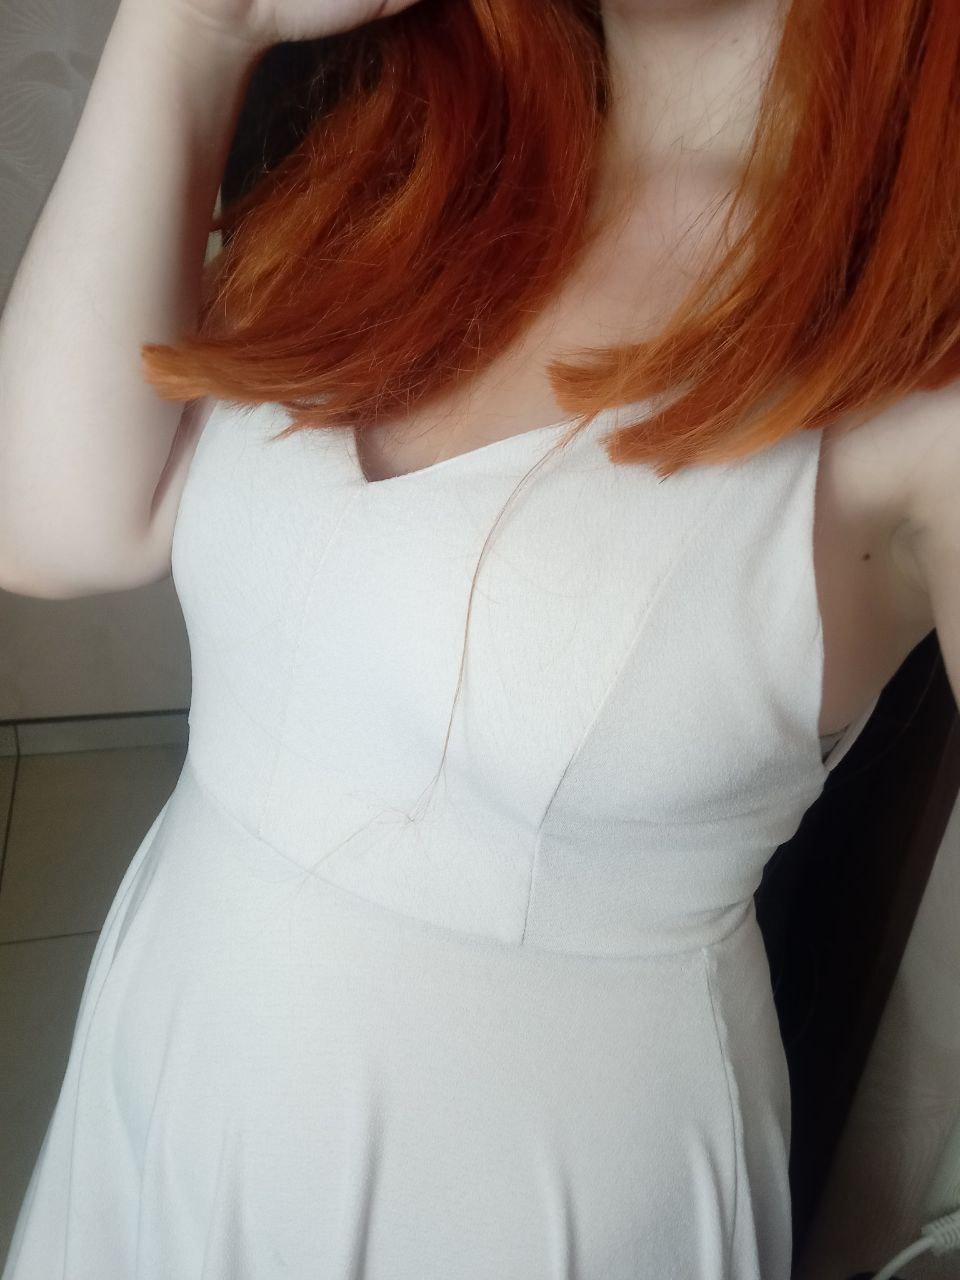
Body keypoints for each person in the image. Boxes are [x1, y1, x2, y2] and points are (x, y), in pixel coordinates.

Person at [0, 0, 956, 1276]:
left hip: (529, 1197)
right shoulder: (395, 158)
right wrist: (190, 33)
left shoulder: (919, 345)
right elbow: (50, 526)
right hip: (167, 1060)